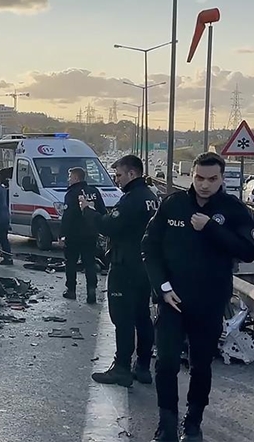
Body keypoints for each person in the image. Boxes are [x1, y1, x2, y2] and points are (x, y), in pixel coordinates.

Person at [142, 152, 254, 442]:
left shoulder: (233, 210)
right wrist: (162, 288)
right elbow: (149, 247)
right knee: (166, 362)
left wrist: (211, 227)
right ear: (191, 176)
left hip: (209, 302)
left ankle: (192, 423)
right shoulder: (173, 204)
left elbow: (248, 252)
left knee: (201, 365)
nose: (205, 185)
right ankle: (166, 424)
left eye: (212, 179)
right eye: (199, 178)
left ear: (221, 178)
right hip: (172, 301)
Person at [81, 155, 158, 387]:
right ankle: (143, 367)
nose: (117, 180)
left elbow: (109, 226)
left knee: (123, 319)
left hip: (126, 266)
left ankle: (122, 368)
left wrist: (88, 211)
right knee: (143, 316)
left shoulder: (131, 199)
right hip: (146, 266)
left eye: (119, 175)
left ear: (132, 174)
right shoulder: (152, 198)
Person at [61, 167, 105, 304]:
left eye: (70, 177)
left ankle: (71, 290)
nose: (68, 180)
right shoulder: (94, 192)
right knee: (90, 263)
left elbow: (67, 216)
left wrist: (62, 234)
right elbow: (102, 211)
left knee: (71, 263)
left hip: (74, 235)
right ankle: (91, 291)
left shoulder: (71, 193)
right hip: (90, 234)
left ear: (75, 178)